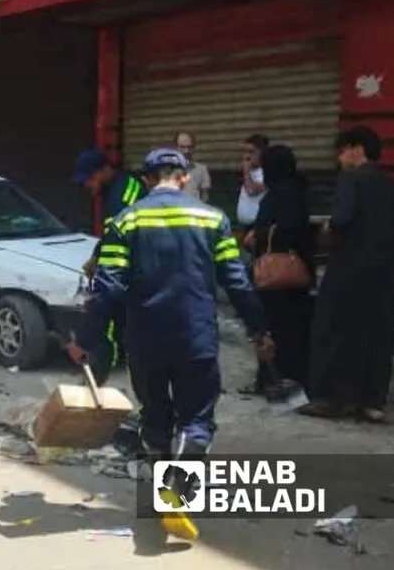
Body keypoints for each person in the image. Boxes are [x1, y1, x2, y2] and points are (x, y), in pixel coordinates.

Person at [67, 148, 272, 545]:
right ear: (182, 178)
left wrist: (87, 339)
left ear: (147, 180)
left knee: (155, 417)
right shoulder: (212, 218)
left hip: (145, 338)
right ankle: (176, 491)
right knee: (197, 419)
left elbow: (106, 289)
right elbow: (238, 282)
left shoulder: (126, 219)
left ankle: (164, 491)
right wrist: (259, 329)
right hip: (195, 337)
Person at [301, 126, 394, 422]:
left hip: (350, 269)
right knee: (377, 334)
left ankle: (331, 399)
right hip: (385, 272)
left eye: (342, 150)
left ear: (356, 149)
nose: (340, 158)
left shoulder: (352, 180)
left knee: (333, 330)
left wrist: (326, 230)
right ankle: (372, 402)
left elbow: (342, 220)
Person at [71, 148, 147, 379]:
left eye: (90, 178)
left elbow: (119, 235)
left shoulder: (123, 196)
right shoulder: (113, 190)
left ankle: (105, 371)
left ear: (105, 170)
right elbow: (109, 234)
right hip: (127, 267)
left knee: (110, 315)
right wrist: (96, 255)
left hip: (133, 269)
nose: (87, 185)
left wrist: (103, 263)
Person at [243, 144, 314, 390]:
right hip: (297, 271)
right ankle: (286, 377)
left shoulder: (282, 194)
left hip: (276, 274)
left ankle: (272, 378)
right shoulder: (298, 189)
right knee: (292, 328)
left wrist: (258, 235)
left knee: (272, 327)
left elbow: (284, 229)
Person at [236, 134, 268, 230]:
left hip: (257, 227)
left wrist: (246, 172)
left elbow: (251, 190)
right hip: (243, 226)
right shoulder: (250, 172)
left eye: (251, 152)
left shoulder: (267, 172)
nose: (247, 156)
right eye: (245, 152)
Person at [175, 131, 212, 202]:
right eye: (182, 147)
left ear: (194, 148)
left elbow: (205, 197)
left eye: (189, 147)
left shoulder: (201, 169)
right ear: (176, 148)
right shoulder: (168, 170)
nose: (186, 151)